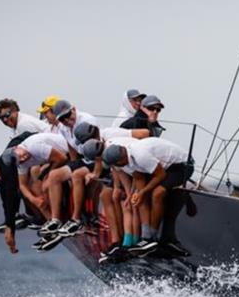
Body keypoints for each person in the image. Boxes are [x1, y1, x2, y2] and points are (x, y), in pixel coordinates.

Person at [103, 138, 194, 257]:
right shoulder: (123, 163)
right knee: (141, 196)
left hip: (182, 165)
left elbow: (161, 175)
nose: (115, 168)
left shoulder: (140, 155)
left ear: (121, 160)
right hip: (164, 167)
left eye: (115, 165)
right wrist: (135, 195)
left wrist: (143, 192)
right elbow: (139, 178)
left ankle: (152, 238)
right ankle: (146, 237)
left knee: (157, 193)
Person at [49, 100, 101, 236]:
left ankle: (76, 219)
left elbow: (98, 147)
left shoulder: (87, 120)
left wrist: (95, 172)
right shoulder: (62, 126)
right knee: (54, 176)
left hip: (96, 158)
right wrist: (72, 166)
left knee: (77, 176)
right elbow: (72, 149)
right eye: (62, 118)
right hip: (83, 159)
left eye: (68, 115)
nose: (66, 120)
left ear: (74, 109)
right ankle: (55, 220)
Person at [13, 132, 70, 251]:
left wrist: (47, 177)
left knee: (45, 183)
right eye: (20, 161)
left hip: (69, 153)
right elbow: (22, 185)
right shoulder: (20, 161)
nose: (24, 159)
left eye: (22, 156)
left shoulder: (34, 146)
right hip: (55, 159)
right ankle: (53, 228)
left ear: (16, 148)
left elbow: (62, 158)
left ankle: (56, 219)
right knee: (34, 191)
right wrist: (34, 200)